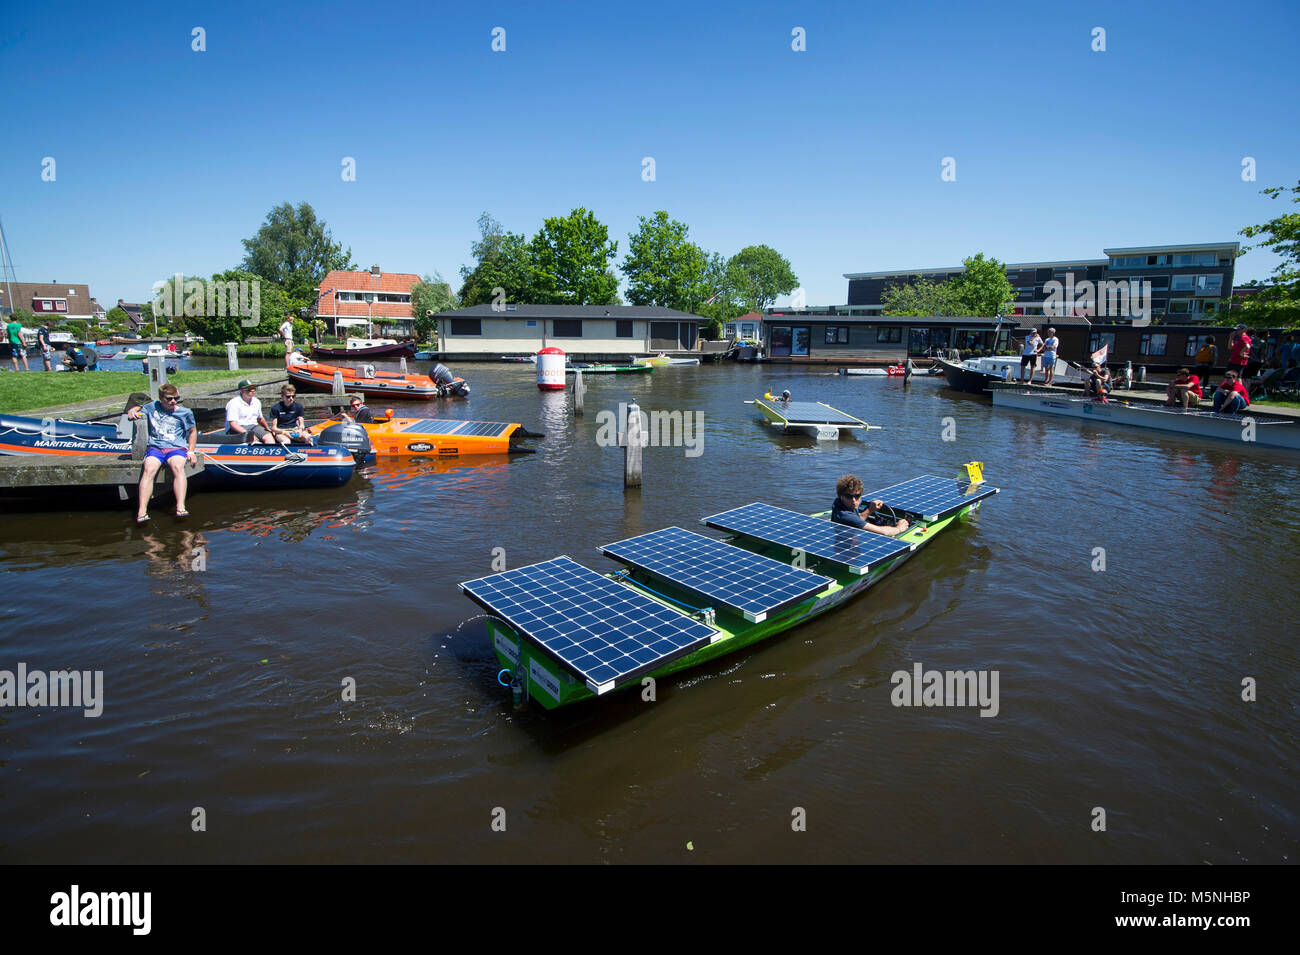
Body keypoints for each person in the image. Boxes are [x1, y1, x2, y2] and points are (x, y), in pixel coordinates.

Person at [126, 383, 198, 523]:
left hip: (176, 447)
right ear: (161, 398)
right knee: (149, 469)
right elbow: (139, 408)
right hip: (156, 447)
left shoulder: (185, 413)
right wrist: (133, 409)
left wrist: (191, 451)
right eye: (169, 399)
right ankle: (142, 511)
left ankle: (181, 506)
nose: (173, 402)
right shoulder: (152, 406)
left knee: (177, 467)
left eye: (176, 398)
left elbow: (192, 431)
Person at [830, 474, 910, 537]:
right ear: (841, 496)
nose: (854, 500)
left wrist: (870, 510)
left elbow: (856, 521)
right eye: (849, 497)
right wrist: (899, 528)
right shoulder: (844, 515)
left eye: (857, 496)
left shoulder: (838, 503)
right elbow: (884, 532)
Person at [225, 379, 275, 443]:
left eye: (253, 388)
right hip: (238, 427)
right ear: (241, 391)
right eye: (249, 389)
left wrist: (268, 429)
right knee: (253, 440)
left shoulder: (256, 401)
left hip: (253, 426)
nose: (252, 391)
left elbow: (260, 419)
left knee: (268, 437)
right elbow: (233, 424)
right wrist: (248, 434)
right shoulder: (233, 403)